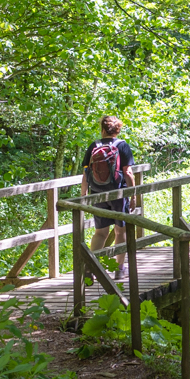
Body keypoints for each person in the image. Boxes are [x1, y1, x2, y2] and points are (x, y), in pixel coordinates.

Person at [81, 115, 136, 281]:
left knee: (100, 233)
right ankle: (119, 269)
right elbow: (127, 173)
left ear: (103, 130)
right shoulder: (122, 146)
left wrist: (84, 194)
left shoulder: (93, 146)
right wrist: (133, 195)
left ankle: (91, 268)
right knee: (121, 231)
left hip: (97, 193)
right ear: (117, 130)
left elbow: (85, 173)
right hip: (118, 194)